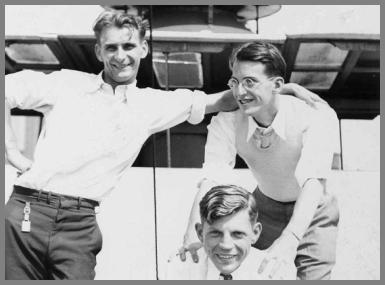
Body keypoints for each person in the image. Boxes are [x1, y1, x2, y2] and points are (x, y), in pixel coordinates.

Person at [4, 9, 322, 280]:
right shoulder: (65, 84)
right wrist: (13, 151)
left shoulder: (152, 104)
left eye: (129, 45)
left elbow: (221, 100)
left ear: (144, 48)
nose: (120, 55)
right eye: (110, 47)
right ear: (99, 51)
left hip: (80, 222)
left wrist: (275, 89)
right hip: (27, 210)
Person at [180, 42, 340, 280]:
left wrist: (290, 238)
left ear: (277, 85)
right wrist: (193, 230)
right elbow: (212, 179)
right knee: (216, 247)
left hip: (315, 208)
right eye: (235, 82)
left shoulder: (315, 114)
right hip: (264, 204)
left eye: (249, 82)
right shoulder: (227, 121)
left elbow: (312, 183)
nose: (240, 93)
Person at [164, 184, 296, 280]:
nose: (226, 245)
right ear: (200, 233)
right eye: (215, 233)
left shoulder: (274, 273)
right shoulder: (180, 269)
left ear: (255, 233)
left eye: (237, 234)